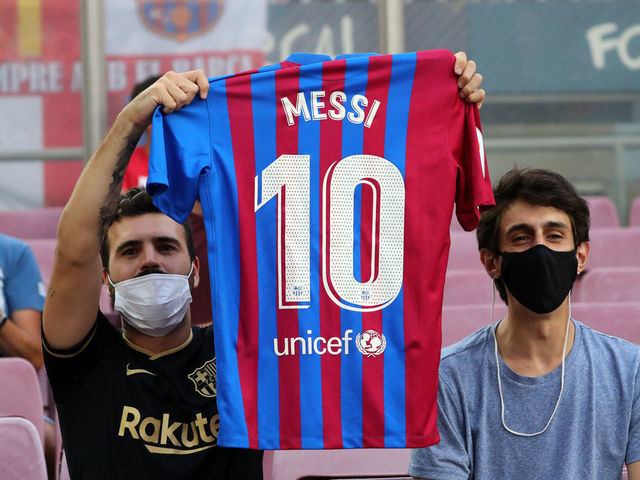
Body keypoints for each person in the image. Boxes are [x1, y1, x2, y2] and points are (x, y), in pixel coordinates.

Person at [42, 51, 485, 479]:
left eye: (165, 245)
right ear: (105, 279)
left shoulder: (250, 348)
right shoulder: (85, 360)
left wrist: (434, 89)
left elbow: (315, 133)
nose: (150, 261)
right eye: (129, 251)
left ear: (196, 270)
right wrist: (131, 121)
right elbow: (75, 247)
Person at [409, 168, 640, 480]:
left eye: (555, 236)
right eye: (521, 238)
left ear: (581, 255)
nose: (540, 249)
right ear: (492, 261)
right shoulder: (449, 378)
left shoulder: (629, 370)